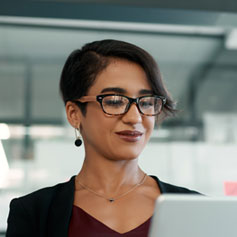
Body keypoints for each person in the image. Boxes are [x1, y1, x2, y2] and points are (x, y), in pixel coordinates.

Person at [6, 39, 199, 237]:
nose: (134, 117)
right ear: (74, 114)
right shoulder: (34, 212)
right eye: (115, 101)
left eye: (147, 102)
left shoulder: (196, 209)